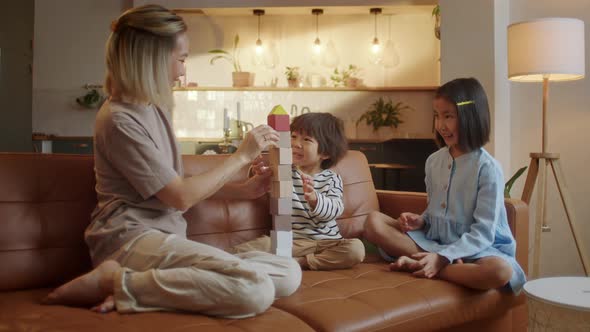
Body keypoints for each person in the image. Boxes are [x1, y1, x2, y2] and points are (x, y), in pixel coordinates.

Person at [42, 4, 301, 318]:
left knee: (288, 273)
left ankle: (166, 281)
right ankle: (117, 281)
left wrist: (244, 190)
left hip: (166, 238)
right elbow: (180, 197)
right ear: (151, 58)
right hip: (130, 241)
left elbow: (174, 184)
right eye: (181, 58)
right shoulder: (120, 120)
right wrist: (241, 156)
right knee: (256, 290)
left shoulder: (153, 108)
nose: (183, 71)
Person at [364, 78, 526, 293]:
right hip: (435, 241)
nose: (441, 125)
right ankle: (433, 262)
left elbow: (484, 233)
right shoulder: (433, 161)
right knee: (373, 221)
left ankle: (429, 265)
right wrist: (421, 221)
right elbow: (435, 210)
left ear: (470, 117)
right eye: (437, 116)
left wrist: (443, 258)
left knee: (499, 272)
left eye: (448, 116)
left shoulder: (487, 168)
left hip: (476, 250)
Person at [232, 113, 365, 270]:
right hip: (291, 242)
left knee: (355, 249)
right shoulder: (283, 170)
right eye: (293, 136)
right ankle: (218, 261)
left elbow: (335, 209)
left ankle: (301, 262)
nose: (296, 143)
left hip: (328, 242)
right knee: (261, 244)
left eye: (306, 140)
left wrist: (315, 200)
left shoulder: (332, 179)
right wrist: (257, 172)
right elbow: (261, 184)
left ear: (325, 153)